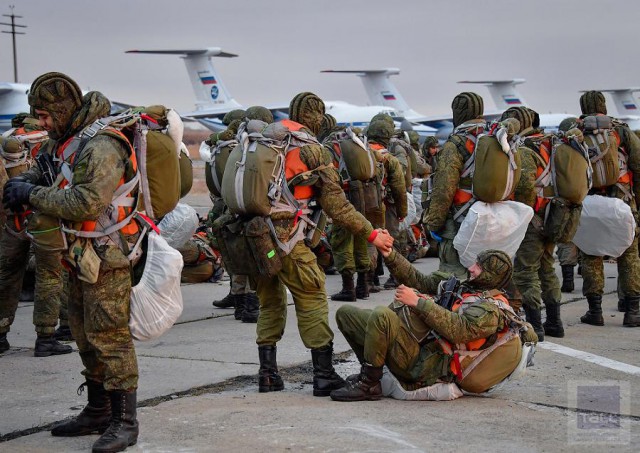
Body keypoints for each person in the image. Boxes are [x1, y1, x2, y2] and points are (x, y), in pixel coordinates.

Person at [3, 72, 140, 451]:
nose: (42, 124)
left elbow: (86, 202)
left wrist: (31, 194)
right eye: (38, 116)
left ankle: (125, 421)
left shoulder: (102, 146)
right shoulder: (64, 140)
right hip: (78, 251)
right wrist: (22, 184)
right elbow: (47, 170)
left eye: (47, 116)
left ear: (64, 110)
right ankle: (97, 410)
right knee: (82, 333)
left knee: (110, 337)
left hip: (107, 254)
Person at [247, 92, 394, 397]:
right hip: (287, 241)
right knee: (312, 297)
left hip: (256, 240)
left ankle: (267, 374)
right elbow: (338, 207)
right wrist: (372, 234)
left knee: (270, 302)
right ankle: (324, 375)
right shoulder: (312, 150)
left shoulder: (261, 140)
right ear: (315, 117)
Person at [330, 247, 535, 402]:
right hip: (419, 347)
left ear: (490, 276)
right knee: (347, 315)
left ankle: (369, 385)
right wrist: (390, 254)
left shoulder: (491, 311)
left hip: (429, 367)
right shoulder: (464, 288)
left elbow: (459, 329)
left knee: (382, 316)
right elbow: (418, 279)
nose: (471, 268)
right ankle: (370, 372)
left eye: (479, 267)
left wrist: (418, 303)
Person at [0, 118, 72, 356]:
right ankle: (47, 336)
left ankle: (0, 335)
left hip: (12, 220)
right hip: (43, 218)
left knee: (7, 276)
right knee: (51, 277)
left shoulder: (10, 141)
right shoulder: (51, 142)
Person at [578, 91, 640, 327]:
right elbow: (638, 164)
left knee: (591, 254)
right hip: (622, 200)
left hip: (590, 202)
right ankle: (632, 311)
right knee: (629, 254)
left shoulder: (577, 132)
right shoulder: (621, 130)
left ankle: (595, 311)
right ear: (604, 105)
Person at [208, 107, 269, 323]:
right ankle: (249, 306)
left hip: (233, 211)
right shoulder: (259, 149)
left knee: (242, 258)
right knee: (255, 258)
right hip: (253, 212)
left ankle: (242, 305)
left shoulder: (234, 149)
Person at [423, 92, 486, 278]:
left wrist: (434, 224)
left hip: (460, 222)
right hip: (493, 221)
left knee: (453, 279)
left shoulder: (455, 144)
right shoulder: (496, 139)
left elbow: (443, 190)